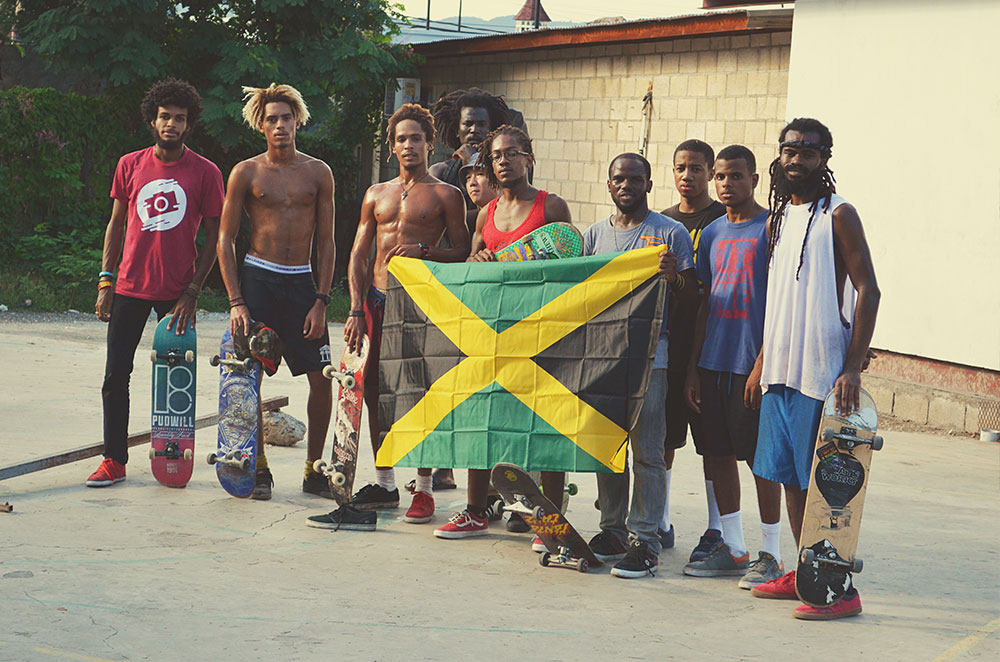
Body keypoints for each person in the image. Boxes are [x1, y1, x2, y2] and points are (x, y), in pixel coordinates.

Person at [307, 103, 469, 530]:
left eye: (417, 138)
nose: (409, 145)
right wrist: (355, 308)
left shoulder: (446, 195)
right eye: (401, 139)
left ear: (430, 143)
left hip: (421, 303)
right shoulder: (375, 194)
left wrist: (425, 251)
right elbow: (359, 254)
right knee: (373, 391)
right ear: (391, 145)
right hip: (376, 301)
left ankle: (426, 488)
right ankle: (384, 482)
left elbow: (464, 252)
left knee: (420, 394)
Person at [747, 119, 880, 620]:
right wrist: (762, 361)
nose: (796, 158)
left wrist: (852, 369)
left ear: (826, 158)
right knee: (790, 478)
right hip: (780, 369)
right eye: (788, 149)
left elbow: (870, 290)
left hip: (822, 372)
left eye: (808, 150)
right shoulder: (776, 219)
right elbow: (778, 299)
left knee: (826, 485)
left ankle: (840, 590)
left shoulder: (839, 215)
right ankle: (806, 571)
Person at [434, 125, 573, 543]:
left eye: (513, 153)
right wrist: (476, 258)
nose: (504, 161)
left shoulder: (552, 207)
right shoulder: (486, 213)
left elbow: (569, 263)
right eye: (496, 155)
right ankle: (476, 511)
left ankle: (549, 520)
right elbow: (471, 272)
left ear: (529, 158)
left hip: (541, 331)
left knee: (545, 424)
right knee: (483, 419)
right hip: (491, 331)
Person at [87, 79, 223, 488]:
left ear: (188, 125)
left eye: (179, 118)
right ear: (153, 120)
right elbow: (116, 225)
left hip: (177, 294)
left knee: (177, 380)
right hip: (128, 286)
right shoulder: (130, 164)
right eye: (165, 116)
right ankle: (114, 460)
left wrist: (193, 293)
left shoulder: (206, 172)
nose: (171, 124)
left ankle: (172, 458)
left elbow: (215, 238)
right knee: (116, 377)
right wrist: (105, 280)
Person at [217, 84, 336, 501]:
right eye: (272, 119)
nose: (280, 125)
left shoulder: (318, 172)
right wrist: (236, 301)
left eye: (286, 117)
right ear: (261, 125)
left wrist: (322, 300)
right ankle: (260, 468)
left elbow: (326, 242)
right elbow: (225, 239)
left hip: (301, 283)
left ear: (297, 120)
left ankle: (313, 470)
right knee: (248, 381)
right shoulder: (246, 173)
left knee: (323, 380)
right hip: (258, 280)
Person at [583, 152, 697, 578]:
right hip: (604, 357)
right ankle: (612, 529)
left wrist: (674, 277)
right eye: (619, 179)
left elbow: (692, 297)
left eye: (635, 178)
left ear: (649, 184)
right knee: (607, 449)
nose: (626, 185)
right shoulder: (594, 236)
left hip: (653, 356)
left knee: (648, 450)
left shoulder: (671, 233)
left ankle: (645, 538)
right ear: (609, 184)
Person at [680, 145, 783, 586]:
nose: (727, 184)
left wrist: (762, 364)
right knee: (717, 454)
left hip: (753, 366)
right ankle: (736, 548)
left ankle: (772, 553)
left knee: (762, 462)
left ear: (755, 180)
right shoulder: (714, 233)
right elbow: (705, 302)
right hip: (711, 364)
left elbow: (782, 305)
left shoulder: (771, 230)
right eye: (721, 176)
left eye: (736, 176)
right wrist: (691, 369)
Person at [660, 139, 729, 560]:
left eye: (697, 169)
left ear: (710, 172)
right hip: (670, 337)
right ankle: (662, 520)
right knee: (664, 435)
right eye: (681, 168)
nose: (688, 176)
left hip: (711, 341)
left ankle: (715, 528)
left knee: (711, 442)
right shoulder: (662, 222)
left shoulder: (723, 218)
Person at [429, 88, 512, 236]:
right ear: (456, 130)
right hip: (449, 256)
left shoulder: (504, 169)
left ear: (492, 130)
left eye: (481, 124)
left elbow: (505, 214)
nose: (474, 130)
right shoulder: (440, 172)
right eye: (468, 124)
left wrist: (472, 162)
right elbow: (434, 221)